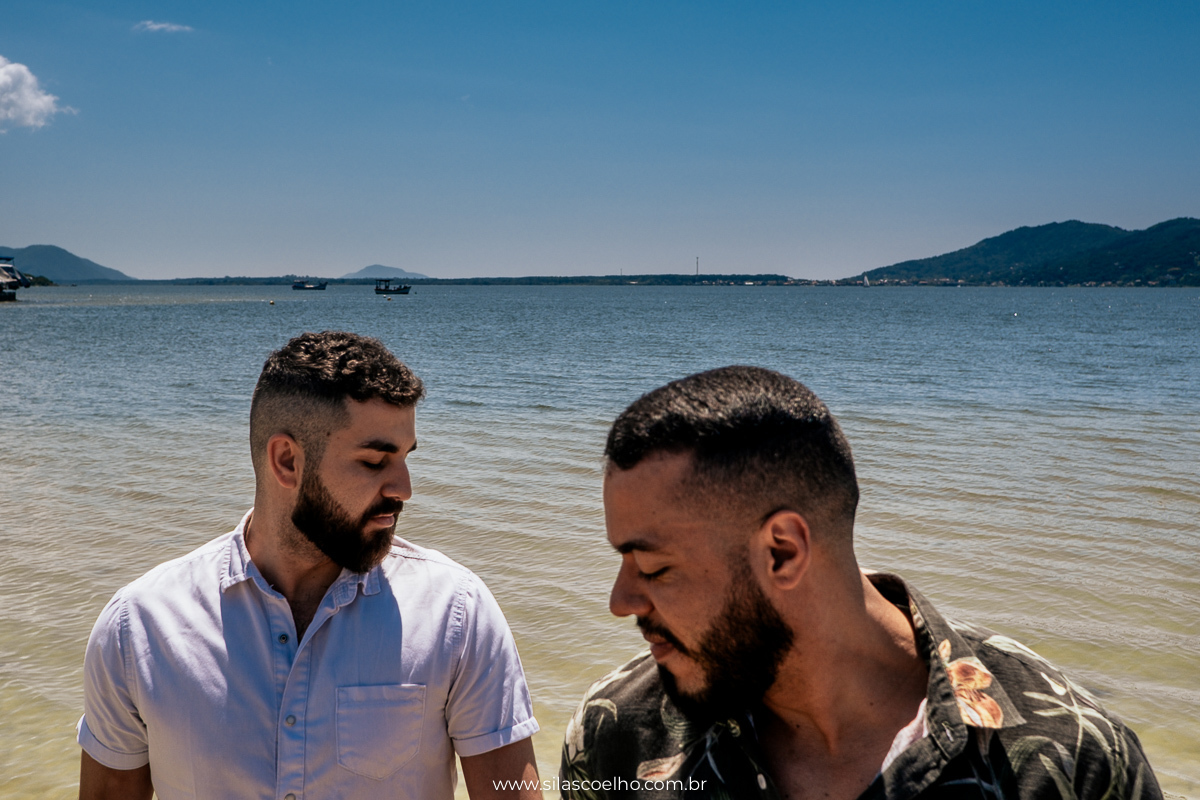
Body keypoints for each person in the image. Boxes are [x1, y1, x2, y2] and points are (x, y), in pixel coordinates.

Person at [560, 366, 1161, 800]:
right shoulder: (615, 736)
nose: (620, 602)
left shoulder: (1071, 758)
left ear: (783, 552)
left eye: (654, 569)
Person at [78, 331, 542, 800]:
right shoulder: (138, 628)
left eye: (404, 458)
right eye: (375, 461)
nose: (403, 489)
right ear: (287, 461)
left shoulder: (456, 614)